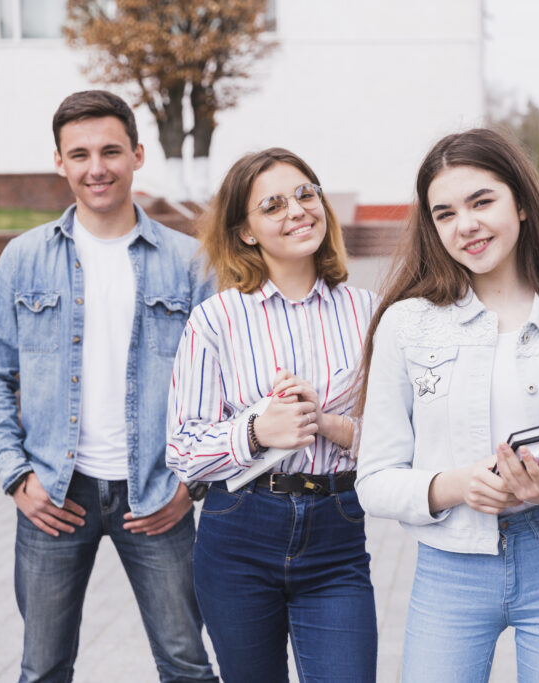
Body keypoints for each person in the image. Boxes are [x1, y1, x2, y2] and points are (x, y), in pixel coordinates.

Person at [354, 128, 539, 683]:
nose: (466, 225)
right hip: (450, 569)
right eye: (445, 213)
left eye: (482, 201)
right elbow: (375, 479)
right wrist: (456, 486)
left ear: (523, 204)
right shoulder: (407, 324)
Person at [0, 90, 217, 682]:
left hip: (158, 491)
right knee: (43, 669)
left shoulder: (191, 264)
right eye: (79, 153)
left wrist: (192, 484)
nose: (97, 167)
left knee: (187, 665)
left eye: (111, 150)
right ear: (59, 162)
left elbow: (220, 386)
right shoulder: (23, 259)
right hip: (54, 495)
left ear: (137, 154)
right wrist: (15, 476)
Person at [166, 147, 378, 683]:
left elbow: (403, 439)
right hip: (239, 531)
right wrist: (258, 430)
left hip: (337, 527)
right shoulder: (215, 320)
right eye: (274, 205)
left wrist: (323, 422)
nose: (298, 211)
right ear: (246, 231)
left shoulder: (370, 313)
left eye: (306, 194)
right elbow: (183, 451)